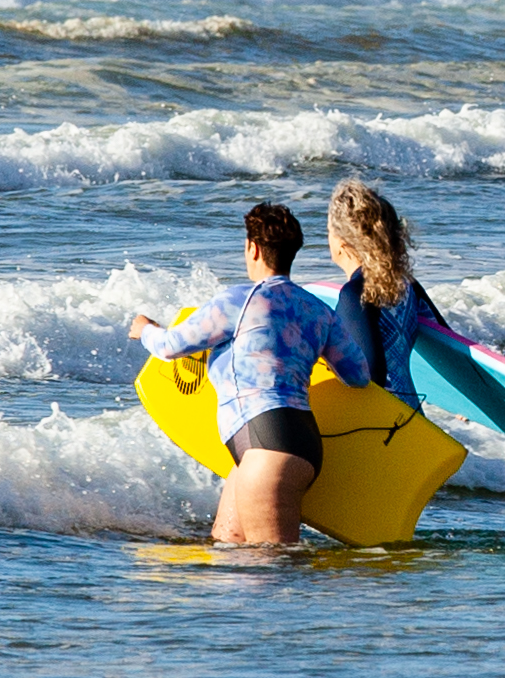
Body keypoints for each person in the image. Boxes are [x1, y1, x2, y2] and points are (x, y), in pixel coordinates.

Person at [140, 201, 368, 549]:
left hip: (267, 449)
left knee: (273, 566)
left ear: (253, 248)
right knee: (226, 547)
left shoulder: (240, 301)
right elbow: (358, 375)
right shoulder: (318, 311)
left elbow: (170, 346)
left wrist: (144, 330)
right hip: (295, 444)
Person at [321, 180, 505, 413]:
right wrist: (464, 404)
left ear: (342, 244)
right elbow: (449, 345)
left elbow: (369, 377)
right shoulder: (405, 285)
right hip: (411, 417)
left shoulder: (355, 295)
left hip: (379, 426)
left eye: (328, 231)